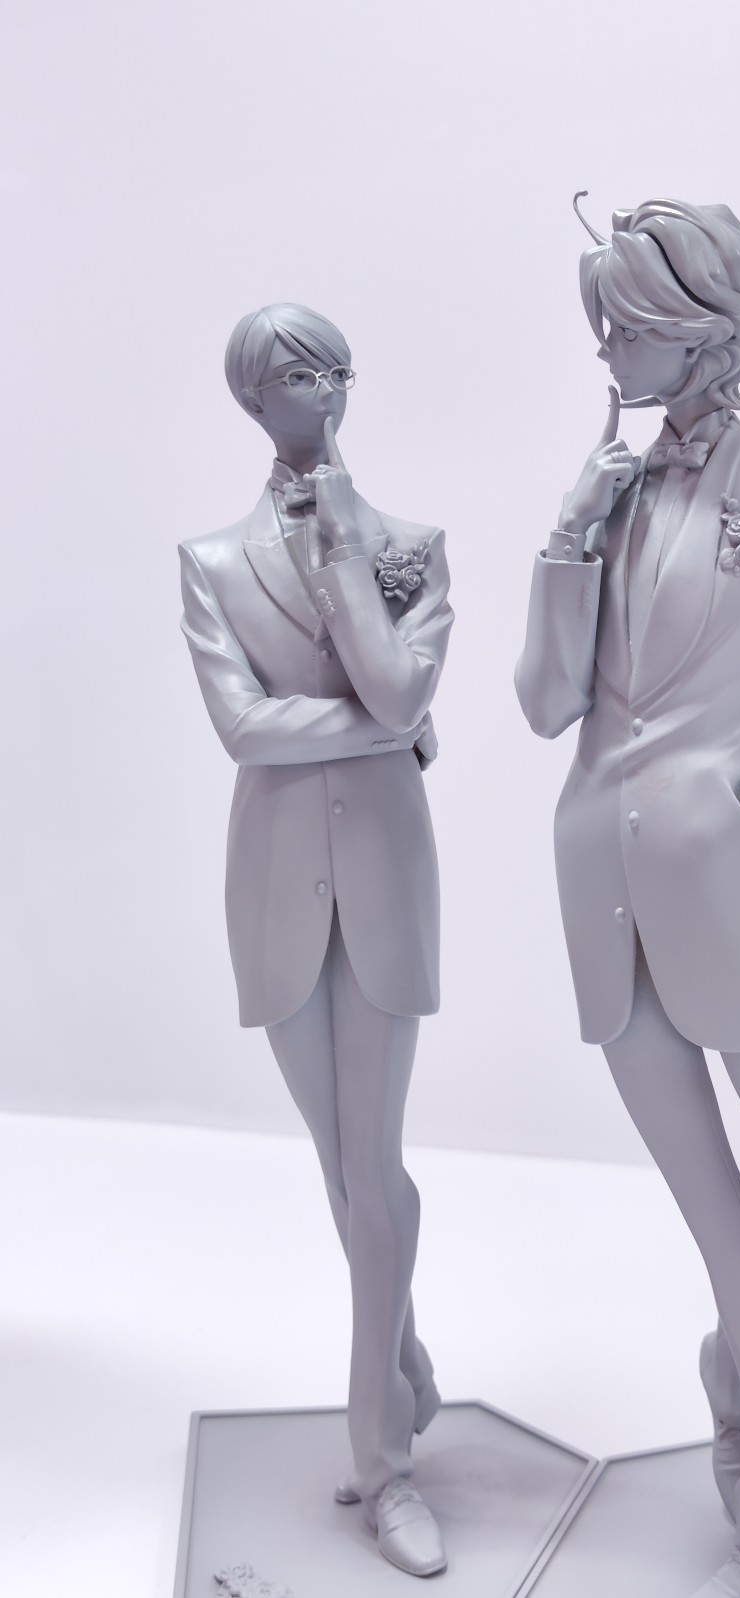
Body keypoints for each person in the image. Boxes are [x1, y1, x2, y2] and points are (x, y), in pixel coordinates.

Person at [515, 199, 740, 1598]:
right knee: (727, 1227)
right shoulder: (601, 498)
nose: (606, 347)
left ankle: (733, 1365)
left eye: (628, 325)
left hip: (730, 883)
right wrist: (566, 536)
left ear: (705, 334)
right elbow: (545, 704)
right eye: (603, 323)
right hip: (598, 887)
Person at [180, 304, 452, 1577]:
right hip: (273, 886)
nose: (326, 386)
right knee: (340, 1163)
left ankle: (384, 1458)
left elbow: (399, 683)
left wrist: (346, 549)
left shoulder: (408, 546)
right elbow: (243, 729)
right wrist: (388, 727)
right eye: (299, 371)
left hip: (387, 879)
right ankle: (405, 1357)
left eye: (338, 365)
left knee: (374, 1164)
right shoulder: (209, 561)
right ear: (255, 395)